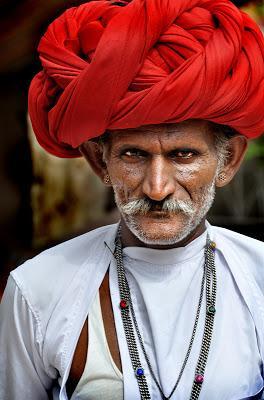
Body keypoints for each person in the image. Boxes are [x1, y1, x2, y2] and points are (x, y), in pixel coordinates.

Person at [0, 0, 264, 399]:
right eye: (134, 155)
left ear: (229, 161)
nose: (157, 188)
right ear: (98, 160)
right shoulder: (37, 290)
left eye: (183, 156)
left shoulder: (259, 279)